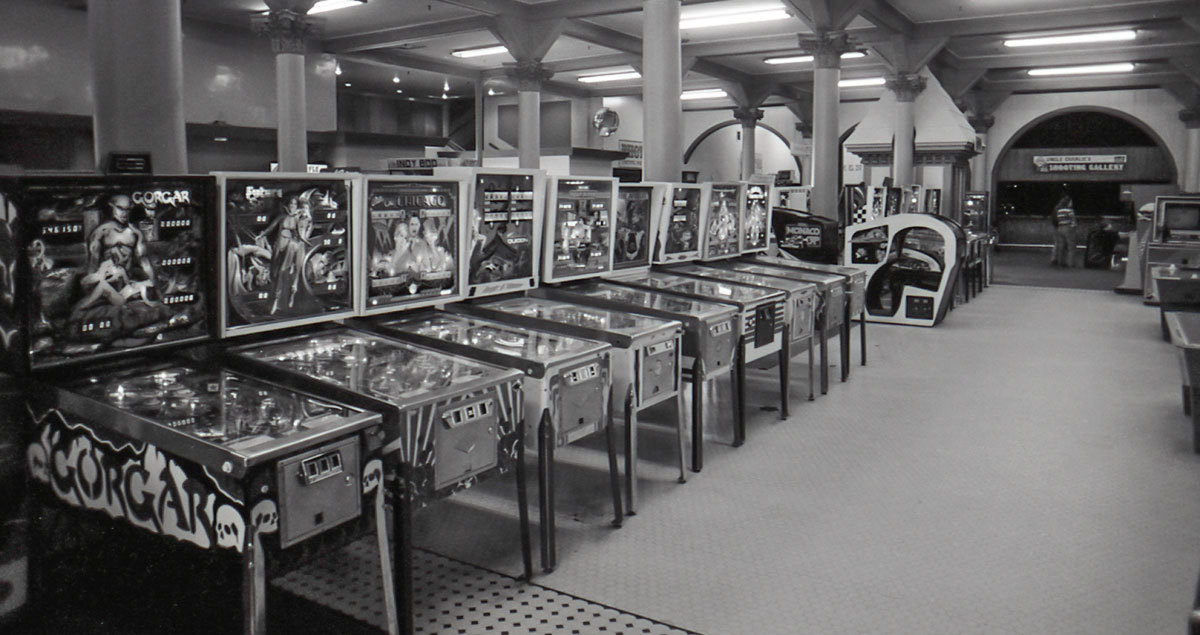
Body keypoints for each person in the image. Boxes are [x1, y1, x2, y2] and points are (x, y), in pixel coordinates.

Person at [1050, 192, 1077, 267]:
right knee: (1071, 247)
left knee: (1060, 246)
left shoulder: (1059, 210)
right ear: (1068, 202)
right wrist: (1073, 227)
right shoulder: (1070, 211)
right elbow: (1073, 220)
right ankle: (1071, 263)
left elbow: (1057, 220)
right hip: (1068, 228)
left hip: (1060, 228)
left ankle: (1060, 262)